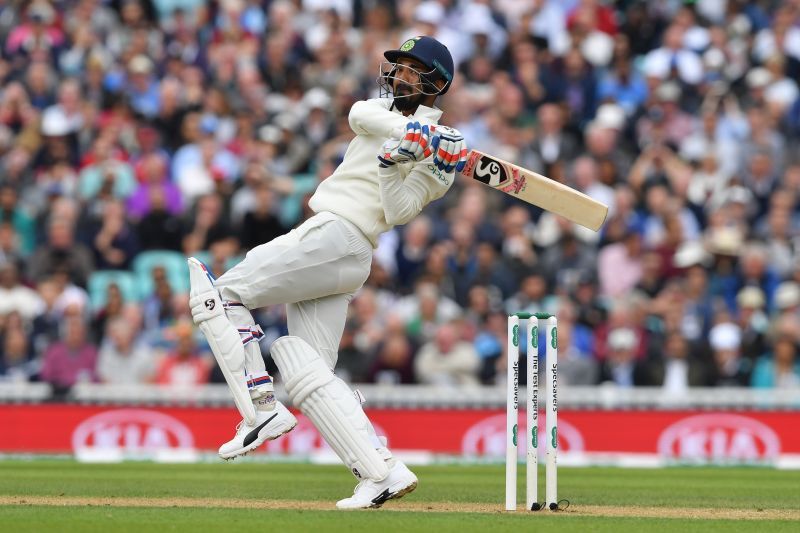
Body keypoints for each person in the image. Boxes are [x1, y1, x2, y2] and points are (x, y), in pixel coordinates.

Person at [187, 36, 467, 509]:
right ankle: (382, 472)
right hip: (337, 249)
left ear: (436, 83)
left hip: (342, 236)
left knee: (220, 295)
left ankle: (260, 410)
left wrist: (398, 163)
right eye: (396, 68)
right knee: (306, 369)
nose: (399, 77)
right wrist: (403, 142)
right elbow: (359, 114)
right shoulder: (387, 119)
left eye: (411, 70)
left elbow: (397, 210)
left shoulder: (442, 160)